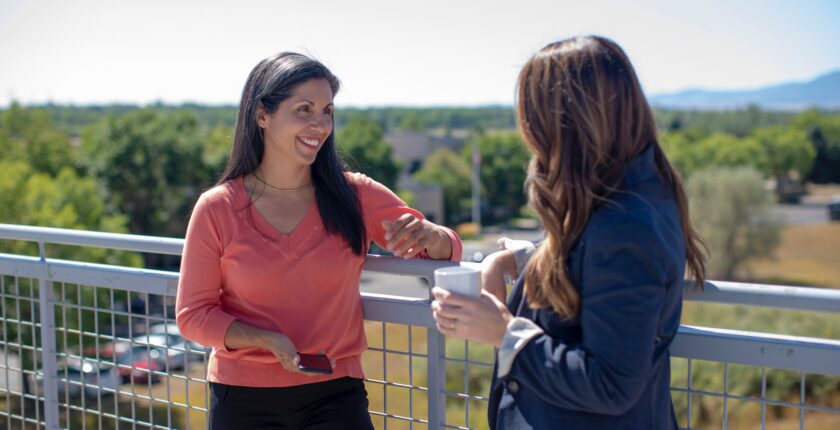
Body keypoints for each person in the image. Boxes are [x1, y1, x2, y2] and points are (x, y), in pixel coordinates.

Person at [176, 52, 462, 429]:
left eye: (327, 111)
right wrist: (264, 340)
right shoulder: (218, 208)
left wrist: (431, 235)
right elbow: (193, 315)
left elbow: (445, 249)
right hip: (242, 398)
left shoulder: (355, 194)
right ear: (262, 115)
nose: (320, 124)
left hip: (336, 394)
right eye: (304, 110)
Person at [431, 36, 706, 429]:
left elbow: (610, 384)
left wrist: (506, 332)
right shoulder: (635, 194)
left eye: (531, 116)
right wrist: (520, 260)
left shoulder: (625, 225)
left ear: (564, 123)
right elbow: (592, 260)